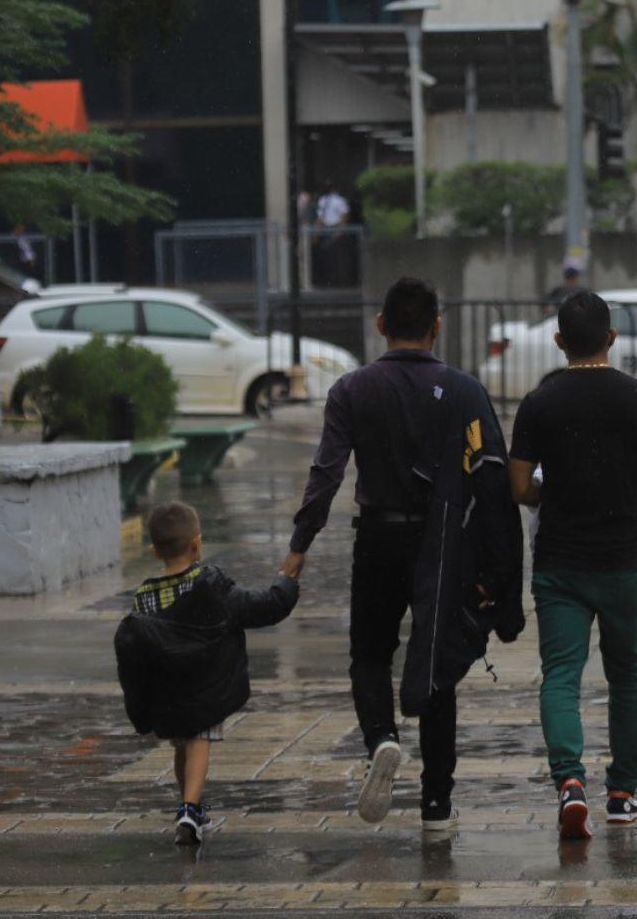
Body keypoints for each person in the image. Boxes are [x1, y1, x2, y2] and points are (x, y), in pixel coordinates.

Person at [282, 276, 524, 832]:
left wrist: (300, 546)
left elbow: (327, 472)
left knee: (370, 652)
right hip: (444, 548)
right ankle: (436, 803)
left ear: (381, 325)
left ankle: (382, 740)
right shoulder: (464, 390)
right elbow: (491, 481)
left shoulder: (352, 389)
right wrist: (499, 569)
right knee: (437, 661)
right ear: (436, 326)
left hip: (378, 539)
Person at [507, 291, 637, 841]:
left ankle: (569, 784)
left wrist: (553, 497)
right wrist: (636, 496)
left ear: (560, 341)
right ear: (611, 338)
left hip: (560, 563)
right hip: (623, 562)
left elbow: (518, 486)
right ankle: (622, 794)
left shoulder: (538, 403)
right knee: (626, 676)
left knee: (561, 676)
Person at [115, 502, 300, 846]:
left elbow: (136, 652)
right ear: (197, 544)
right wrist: (286, 584)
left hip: (167, 695)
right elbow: (261, 607)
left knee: (181, 745)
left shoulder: (142, 598)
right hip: (205, 688)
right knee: (200, 738)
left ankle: (189, 804)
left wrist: (142, 707)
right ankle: (190, 807)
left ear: (154, 550)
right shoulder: (211, 587)